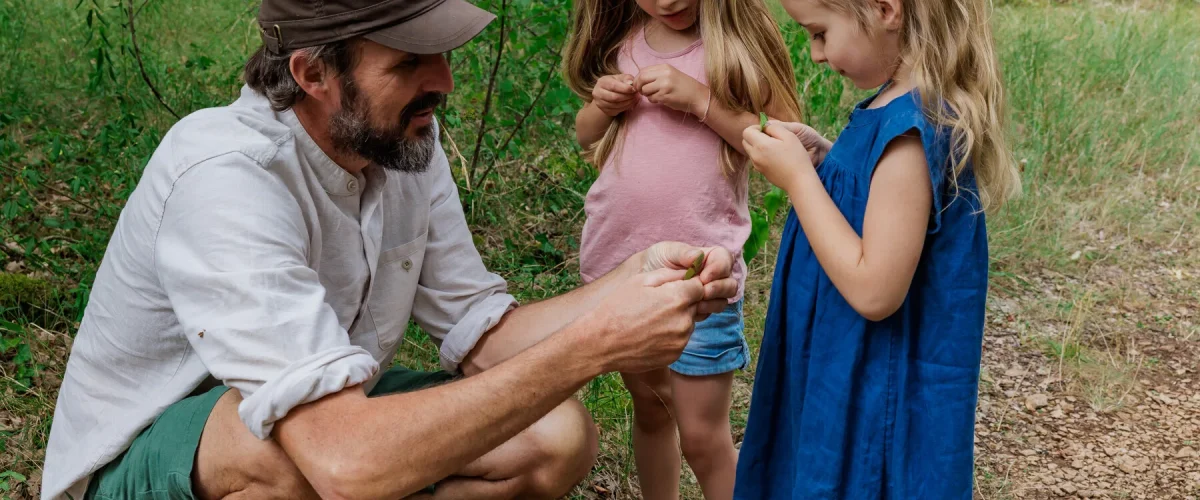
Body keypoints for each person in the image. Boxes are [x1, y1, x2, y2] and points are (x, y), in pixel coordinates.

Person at [39, 1, 742, 499]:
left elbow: (483, 332)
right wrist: (595, 344)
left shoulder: (401, 140)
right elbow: (343, 462)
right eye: (409, 62)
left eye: (440, 54)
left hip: (325, 415)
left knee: (556, 436)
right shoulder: (226, 174)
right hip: (152, 457)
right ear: (314, 73)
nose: (442, 81)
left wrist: (627, 284)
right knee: (290, 464)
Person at [735, 0, 1022, 495]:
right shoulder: (896, 104)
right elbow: (878, 201)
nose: (817, 54)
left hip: (868, 389)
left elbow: (875, 291)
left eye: (820, 33)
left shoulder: (910, 132)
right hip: (840, 363)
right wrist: (828, 159)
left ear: (886, 10)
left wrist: (800, 181)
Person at [563, 0, 802, 498]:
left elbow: (783, 139)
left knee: (701, 435)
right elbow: (586, 136)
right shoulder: (623, 41)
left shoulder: (732, 46)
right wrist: (602, 107)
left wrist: (700, 99)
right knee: (651, 411)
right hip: (622, 266)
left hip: (702, 275)